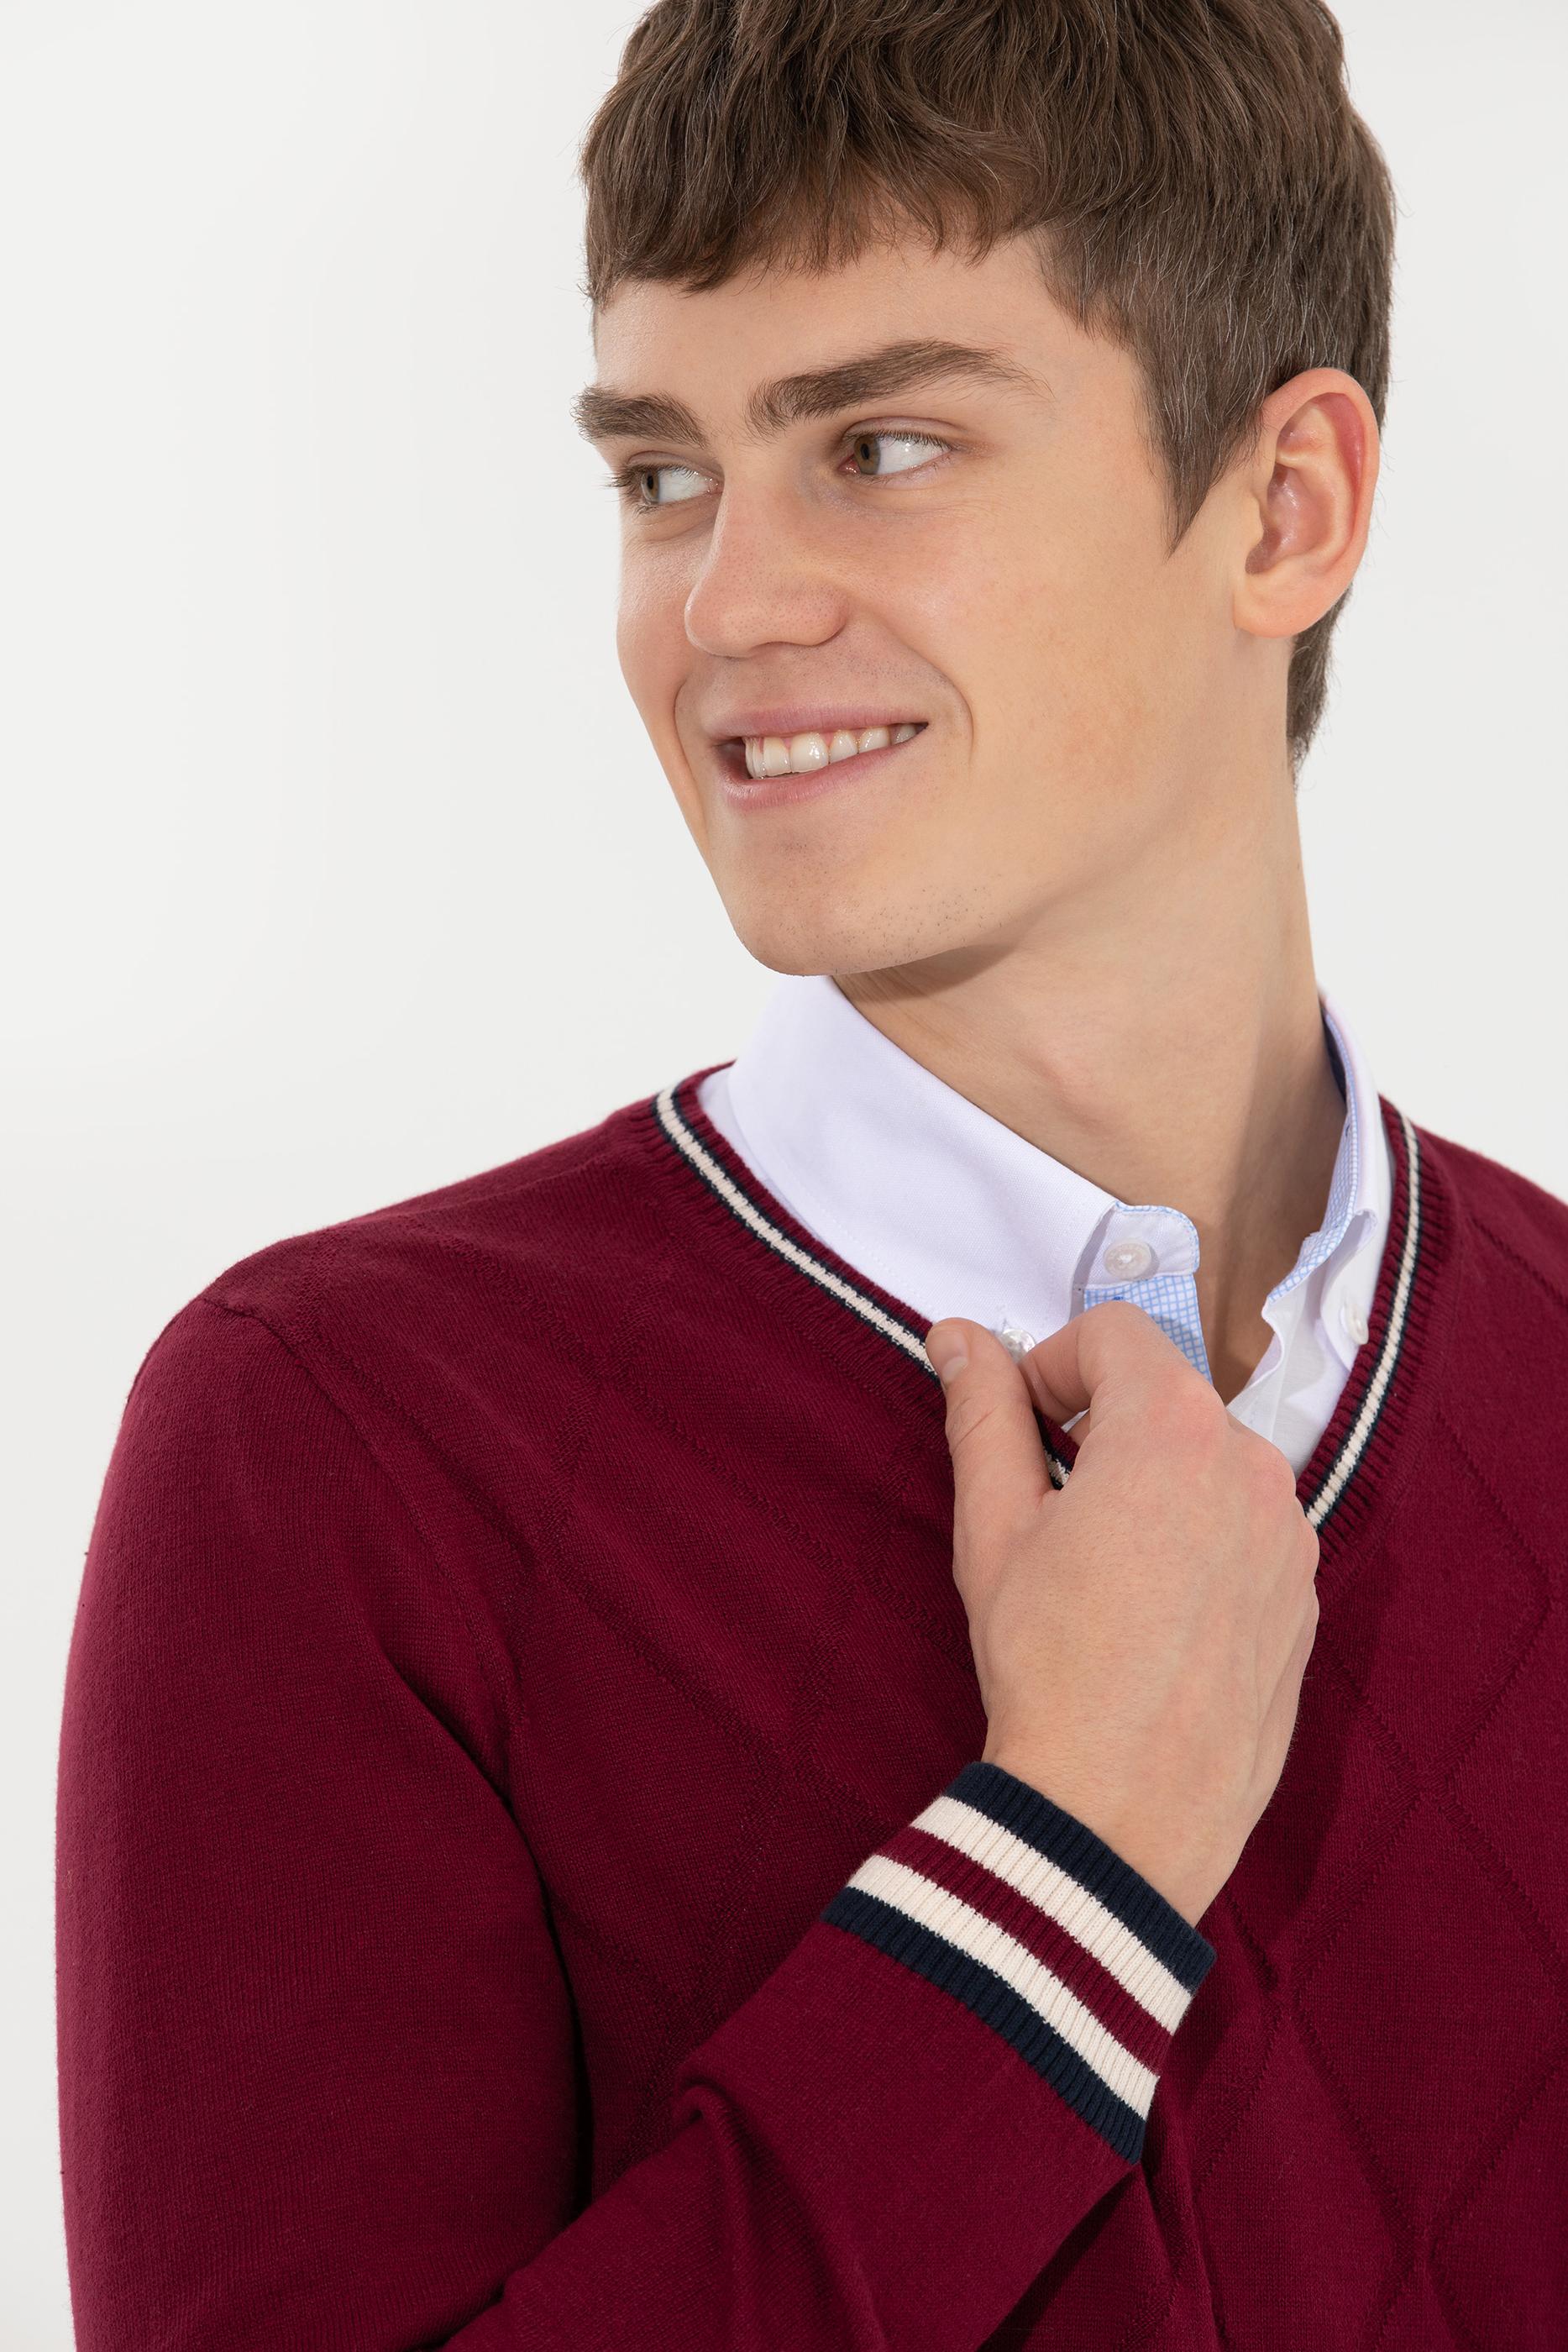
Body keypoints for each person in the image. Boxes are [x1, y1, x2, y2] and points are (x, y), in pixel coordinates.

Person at [55, 2, 1568, 2346]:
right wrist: (1068, 1865)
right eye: (665, 475)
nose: (725, 608)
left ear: (1286, 507)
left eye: (880, 445)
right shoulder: (337, 1450)